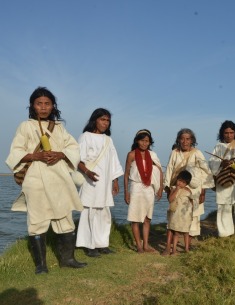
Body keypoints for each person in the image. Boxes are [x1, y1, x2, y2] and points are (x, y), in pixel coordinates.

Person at [6, 87, 87, 274]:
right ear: (33, 106)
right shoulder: (25, 126)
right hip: (35, 178)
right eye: (39, 103)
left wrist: (60, 154)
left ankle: (68, 259)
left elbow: (73, 148)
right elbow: (16, 152)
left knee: (65, 217)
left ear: (53, 106)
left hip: (59, 178)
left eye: (47, 104)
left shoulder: (59, 127)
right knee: (37, 219)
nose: (43, 107)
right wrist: (36, 156)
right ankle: (41, 265)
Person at [75, 108, 124, 257]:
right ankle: (89, 246)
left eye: (108, 120)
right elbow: (77, 160)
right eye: (102, 119)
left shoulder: (108, 140)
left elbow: (114, 162)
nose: (105, 123)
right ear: (95, 120)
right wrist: (88, 172)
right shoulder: (85, 136)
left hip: (105, 182)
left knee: (103, 213)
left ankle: (102, 243)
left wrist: (115, 181)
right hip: (90, 180)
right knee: (89, 211)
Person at [163, 128, 214, 254]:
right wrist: (168, 189)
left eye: (188, 139)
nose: (185, 141)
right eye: (182, 138)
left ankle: (187, 247)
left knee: (192, 219)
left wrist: (203, 192)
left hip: (193, 192)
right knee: (172, 218)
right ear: (178, 140)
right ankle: (168, 247)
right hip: (177, 189)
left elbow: (205, 172)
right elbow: (169, 169)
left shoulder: (197, 153)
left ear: (192, 140)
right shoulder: (174, 153)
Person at [209, 120, 235, 238]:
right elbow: (212, 163)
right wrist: (222, 164)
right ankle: (225, 233)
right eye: (226, 133)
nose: (229, 135)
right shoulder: (218, 146)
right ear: (222, 133)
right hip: (223, 179)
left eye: (231, 132)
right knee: (223, 206)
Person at [124, 129, 163, 253]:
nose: (144, 143)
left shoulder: (152, 155)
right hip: (136, 187)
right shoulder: (131, 154)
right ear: (137, 141)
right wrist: (126, 192)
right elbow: (126, 174)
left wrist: (161, 188)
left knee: (147, 218)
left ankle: (145, 245)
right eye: (142, 140)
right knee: (135, 218)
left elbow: (160, 172)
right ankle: (139, 246)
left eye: (147, 141)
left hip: (149, 188)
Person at [164, 170, 193, 255]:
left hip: (185, 215)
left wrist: (191, 213)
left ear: (186, 184)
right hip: (175, 214)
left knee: (186, 232)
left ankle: (187, 248)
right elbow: (170, 200)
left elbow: (191, 202)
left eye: (183, 182)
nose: (180, 183)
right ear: (177, 179)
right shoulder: (173, 189)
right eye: (179, 181)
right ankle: (174, 250)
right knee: (176, 232)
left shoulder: (188, 190)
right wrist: (176, 190)